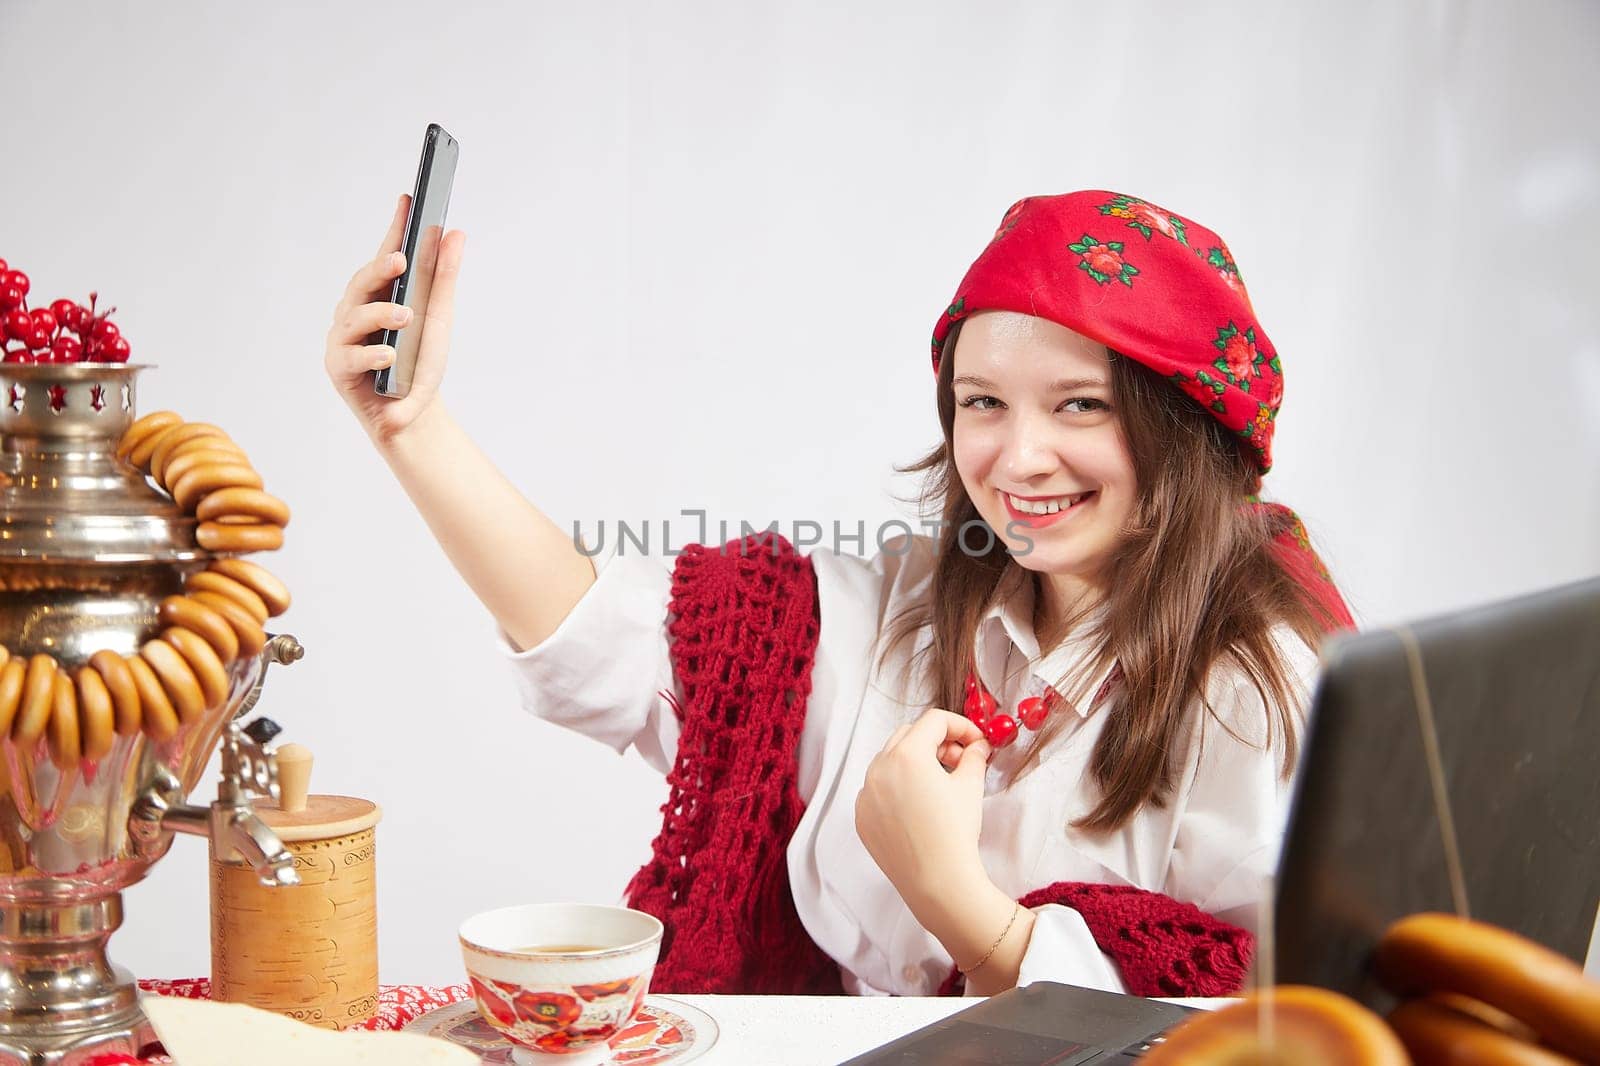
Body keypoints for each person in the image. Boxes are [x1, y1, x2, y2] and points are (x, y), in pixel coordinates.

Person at [324, 189, 1352, 1000]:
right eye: (981, 402)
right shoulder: (887, 612)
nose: (1019, 456)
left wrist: (954, 897)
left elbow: (1259, 1024)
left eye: (1079, 404)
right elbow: (600, 638)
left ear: (1186, 425)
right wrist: (411, 429)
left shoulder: (1260, 690)